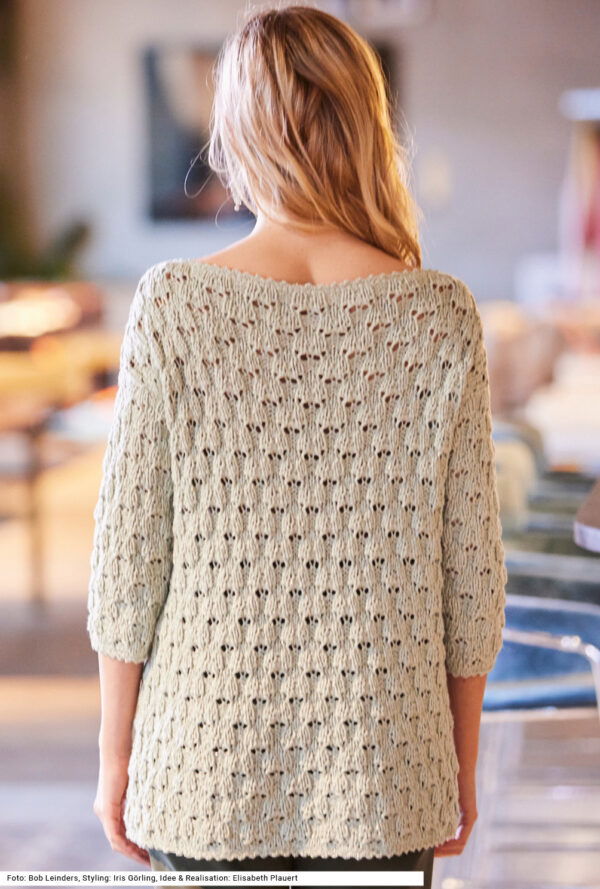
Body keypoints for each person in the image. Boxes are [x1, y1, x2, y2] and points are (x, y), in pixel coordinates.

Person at [87, 6, 507, 889]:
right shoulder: (439, 315)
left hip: (201, 763)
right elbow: (469, 583)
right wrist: (461, 766)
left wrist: (114, 756)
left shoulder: (174, 304)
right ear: (364, 123)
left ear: (238, 131)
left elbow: (129, 564)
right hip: (388, 768)